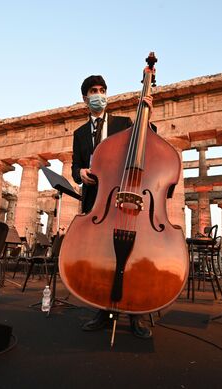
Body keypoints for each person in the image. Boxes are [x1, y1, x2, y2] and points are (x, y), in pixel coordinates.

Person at [70, 75, 153, 339]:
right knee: (101, 257)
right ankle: (103, 310)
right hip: (98, 202)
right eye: (94, 91)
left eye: (102, 90)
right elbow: (74, 166)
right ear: (85, 98)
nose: (99, 94)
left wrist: (146, 114)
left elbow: (146, 142)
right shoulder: (80, 133)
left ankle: (136, 312)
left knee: (132, 256)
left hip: (125, 199)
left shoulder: (123, 123)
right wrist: (79, 172)